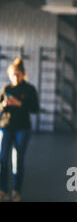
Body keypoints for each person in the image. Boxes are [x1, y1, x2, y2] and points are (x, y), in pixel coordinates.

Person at [0, 58, 39, 202]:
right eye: (13, 74)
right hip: (5, 128)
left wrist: (19, 103)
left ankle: (16, 192)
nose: (16, 77)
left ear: (23, 74)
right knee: (2, 159)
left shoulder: (29, 89)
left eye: (18, 74)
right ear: (10, 75)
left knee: (18, 160)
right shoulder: (6, 89)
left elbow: (35, 108)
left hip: (22, 128)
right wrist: (4, 105)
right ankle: (3, 190)